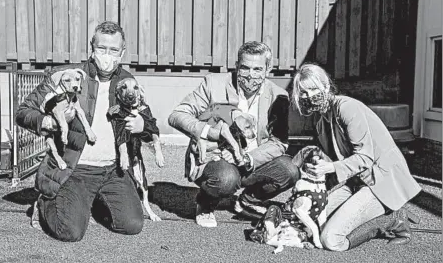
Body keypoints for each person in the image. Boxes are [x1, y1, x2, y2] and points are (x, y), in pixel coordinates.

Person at [16, 21, 159, 241]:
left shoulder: (126, 81)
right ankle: (44, 202)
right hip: (76, 168)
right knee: (70, 232)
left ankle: (89, 203)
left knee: (131, 225)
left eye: (113, 50)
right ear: (91, 48)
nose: (107, 55)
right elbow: (24, 111)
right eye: (102, 49)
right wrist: (48, 122)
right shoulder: (68, 76)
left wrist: (143, 126)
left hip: (112, 170)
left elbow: (150, 123)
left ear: (122, 51)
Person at [290, 63, 421, 251]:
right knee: (310, 218)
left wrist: (331, 167)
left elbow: (365, 157)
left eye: (313, 88)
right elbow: (331, 157)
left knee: (331, 240)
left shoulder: (347, 108)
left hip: (379, 180)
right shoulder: (320, 120)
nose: (309, 96)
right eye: (303, 92)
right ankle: (371, 212)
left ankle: (392, 219)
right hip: (355, 181)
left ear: (326, 85)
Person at [168, 41, 300, 228]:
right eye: (245, 68)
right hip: (215, 158)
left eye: (257, 69)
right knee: (226, 178)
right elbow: (177, 115)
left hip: (252, 160)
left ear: (268, 69)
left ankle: (248, 201)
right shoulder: (214, 83)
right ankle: (205, 203)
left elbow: (279, 142)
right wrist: (210, 133)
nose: (250, 75)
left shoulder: (278, 96)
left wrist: (248, 158)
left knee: (290, 170)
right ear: (237, 66)